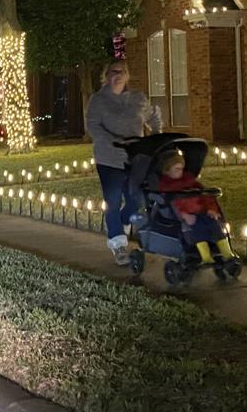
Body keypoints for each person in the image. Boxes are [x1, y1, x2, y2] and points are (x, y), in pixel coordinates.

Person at [86, 59, 161, 265]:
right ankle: (118, 245)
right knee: (113, 200)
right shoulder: (98, 100)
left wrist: (156, 134)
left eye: (121, 72)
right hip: (109, 158)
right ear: (106, 75)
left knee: (136, 199)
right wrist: (114, 142)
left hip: (135, 159)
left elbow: (152, 117)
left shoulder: (137, 98)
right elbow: (93, 126)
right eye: (112, 72)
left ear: (127, 75)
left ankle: (120, 223)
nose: (116, 75)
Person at [156, 148, 235, 265]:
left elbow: (204, 194)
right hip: (188, 214)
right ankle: (205, 256)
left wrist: (212, 209)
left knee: (215, 225)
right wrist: (184, 215)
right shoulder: (167, 187)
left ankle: (228, 253)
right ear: (167, 171)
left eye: (181, 169)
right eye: (176, 169)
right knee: (198, 230)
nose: (180, 172)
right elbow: (173, 204)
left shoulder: (190, 181)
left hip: (202, 210)